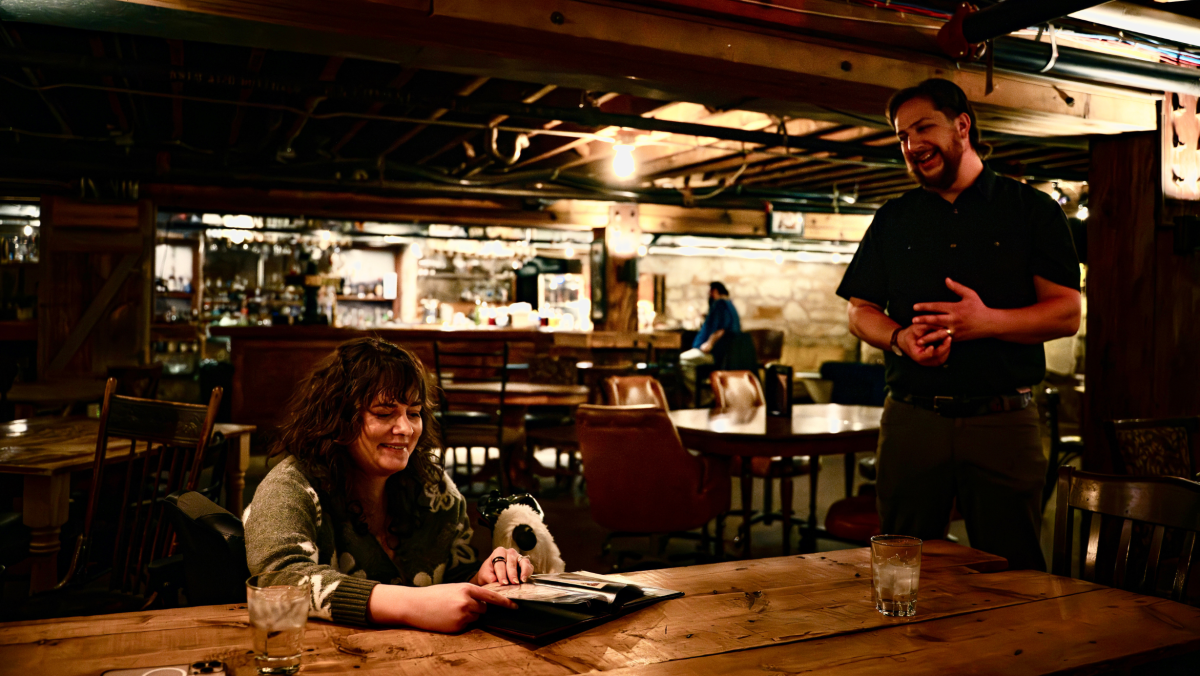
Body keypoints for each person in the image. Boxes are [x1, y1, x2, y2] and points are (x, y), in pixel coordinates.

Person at [835, 79, 1081, 571]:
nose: (912, 145)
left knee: (1012, 569)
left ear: (962, 126)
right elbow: (859, 310)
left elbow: (1067, 312)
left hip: (1002, 421)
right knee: (900, 564)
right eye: (903, 136)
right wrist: (899, 338)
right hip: (912, 418)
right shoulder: (894, 218)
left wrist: (986, 322)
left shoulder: (1031, 211)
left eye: (924, 128)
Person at [244, 336, 531, 631]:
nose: (405, 428)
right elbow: (277, 579)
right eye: (384, 413)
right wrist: (411, 604)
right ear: (338, 417)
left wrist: (483, 579)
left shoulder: (434, 488)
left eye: (414, 413)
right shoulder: (289, 487)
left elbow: (454, 581)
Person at [679, 281, 741, 402]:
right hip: (727, 355)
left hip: (715, 354)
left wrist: (709, 343)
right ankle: (706, 396)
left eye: (710, 292)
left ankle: (703, 398)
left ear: (714, 291)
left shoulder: (720, 304)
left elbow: (721, 328)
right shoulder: (730, 305)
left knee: (683, 360)